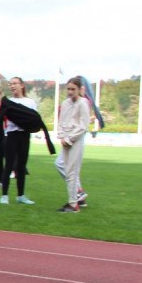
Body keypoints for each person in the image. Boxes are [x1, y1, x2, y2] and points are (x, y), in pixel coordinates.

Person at [54, 76, 92, 208]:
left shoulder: (83, 103)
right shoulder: (65, 104)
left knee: (72, 171)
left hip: (75, 140)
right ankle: (75, 199)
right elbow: (61, 122)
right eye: (68, 89)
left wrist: (70, 138)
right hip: (66, 139)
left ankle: (73, 202)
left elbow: (83, 126)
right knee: (67, 169)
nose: (70, 92)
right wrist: (61, 136)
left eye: (73, 89)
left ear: (79, 89)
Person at [0, 77, 36, 205]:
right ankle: (4, 195)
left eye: (15, 83)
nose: (12, 86)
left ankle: (21, 195)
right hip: (12, 135)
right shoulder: (9, 102)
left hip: (24, 135)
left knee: (21, 165)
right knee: (9, 165)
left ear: (22, 85)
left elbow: (33, 119)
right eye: (10, 84)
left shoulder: (30, 102)